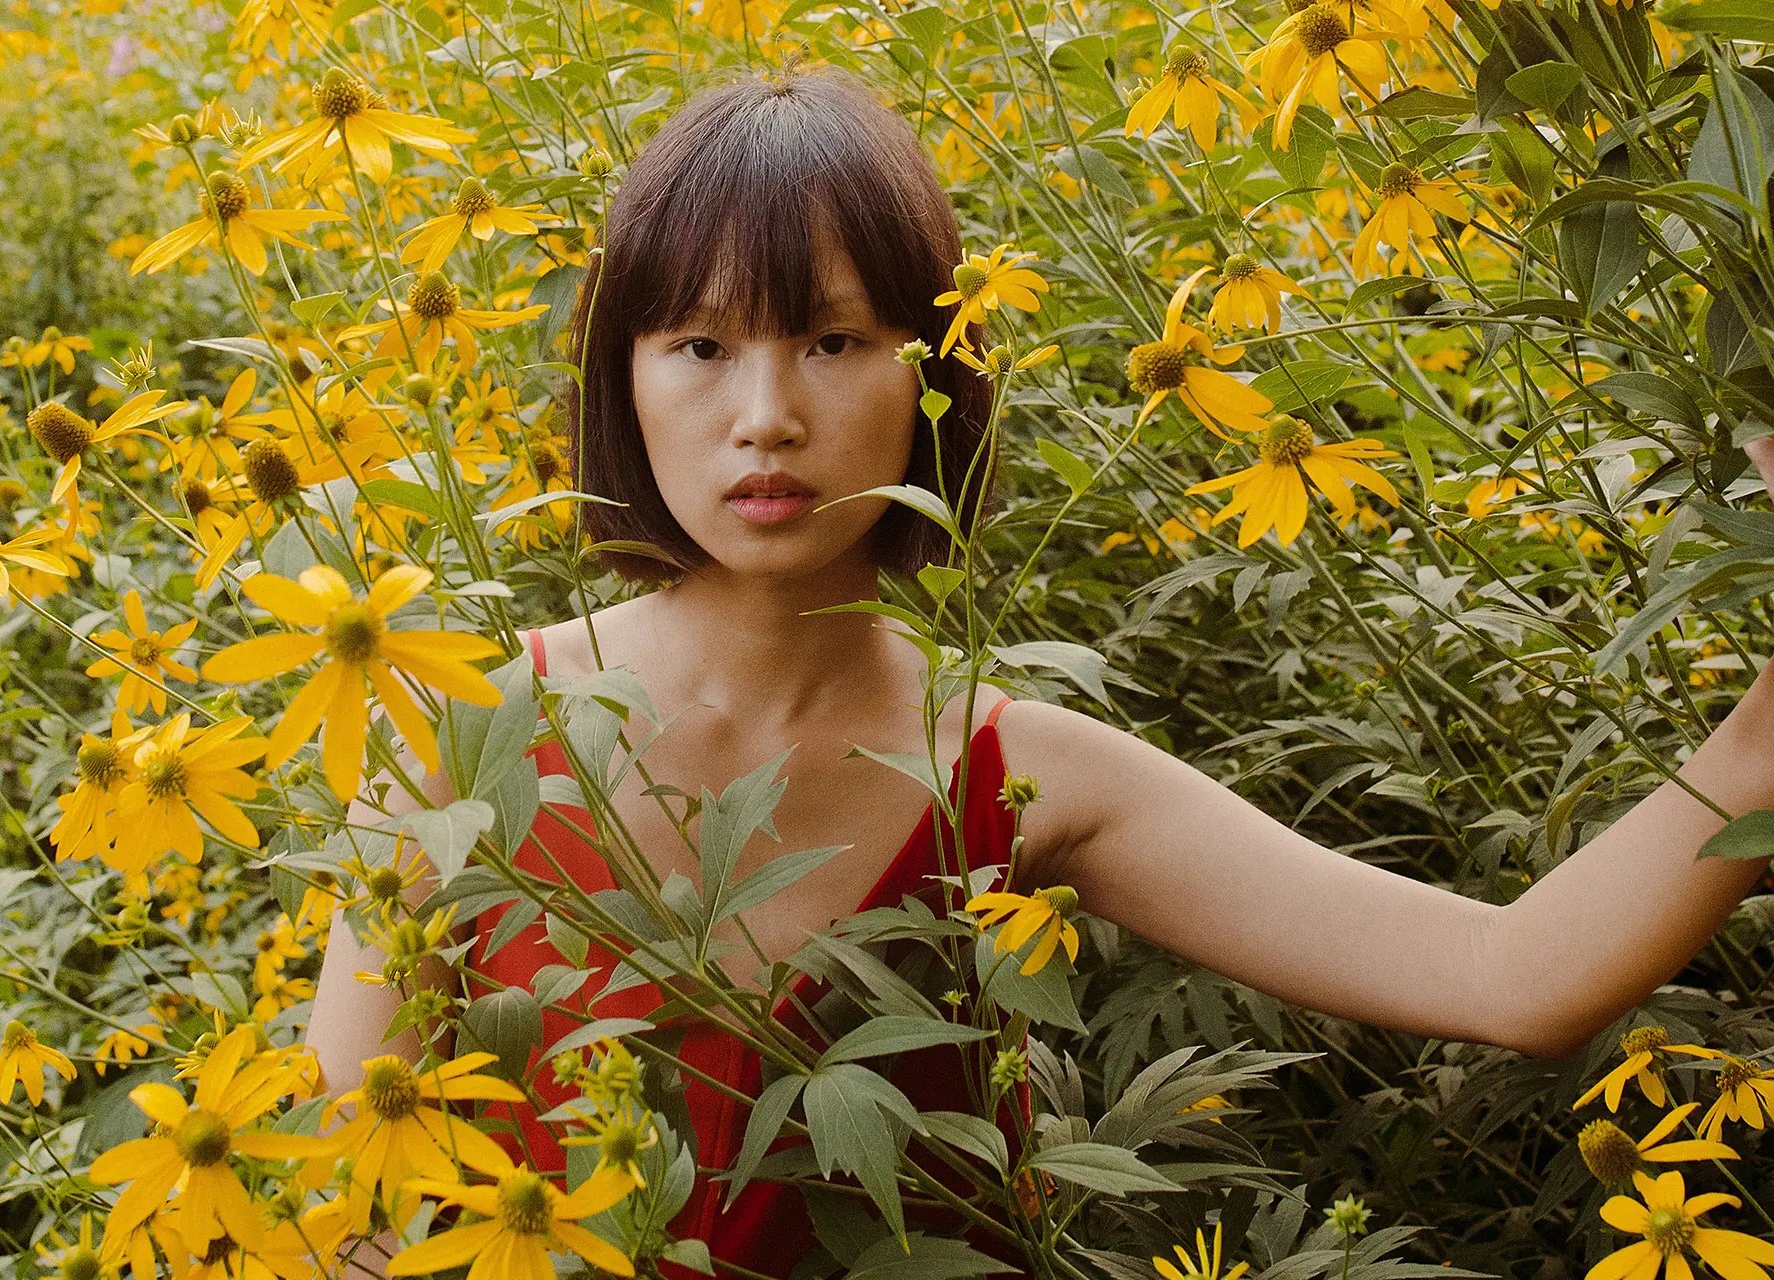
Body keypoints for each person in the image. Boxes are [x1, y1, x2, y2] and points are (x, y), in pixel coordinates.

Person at [303, 66, 1774, 1277]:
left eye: (833, 339)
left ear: (935, 371)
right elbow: (341, 1199)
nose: (764, 415)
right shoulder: (457, 734)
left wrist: (1762, 739)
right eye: (697, 344)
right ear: (618, 378)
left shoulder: (1018, 777)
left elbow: (1516, 977)